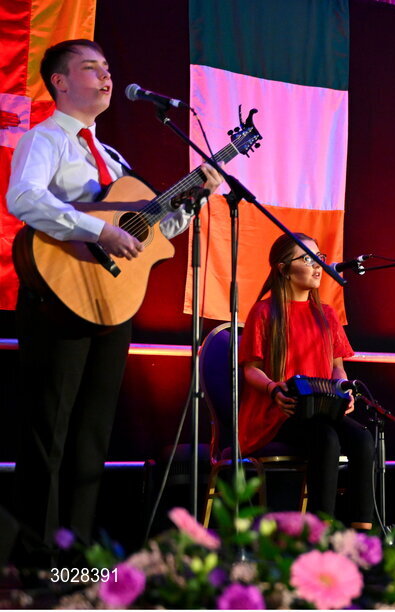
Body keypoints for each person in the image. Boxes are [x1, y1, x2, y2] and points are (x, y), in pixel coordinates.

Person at [7, 39, 222, 566]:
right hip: (58, 299)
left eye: (107, 67)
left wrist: (192, 199)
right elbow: (25, 200)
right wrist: (96, 233)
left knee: (92, 437)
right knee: (48, 435)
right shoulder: (44, 140)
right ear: (59, 81)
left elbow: (151, 233)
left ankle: (75, 556)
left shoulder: (114, 157)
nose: (105, 77)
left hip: (110, 304)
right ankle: (37, 557)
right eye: (90, 68)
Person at [238, 233, 373, 530]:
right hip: (279, 412)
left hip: (320, 408)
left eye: (319, 259)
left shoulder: (326, 313)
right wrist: (273, 389)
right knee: (325, 438)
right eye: (307, 259)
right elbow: (251, 369)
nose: (317, 267)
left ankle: (362, 531)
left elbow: (338, 365)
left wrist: (343, 388)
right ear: (284, 269)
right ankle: (317, 531)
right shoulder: (264, 312)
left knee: (362, 437)